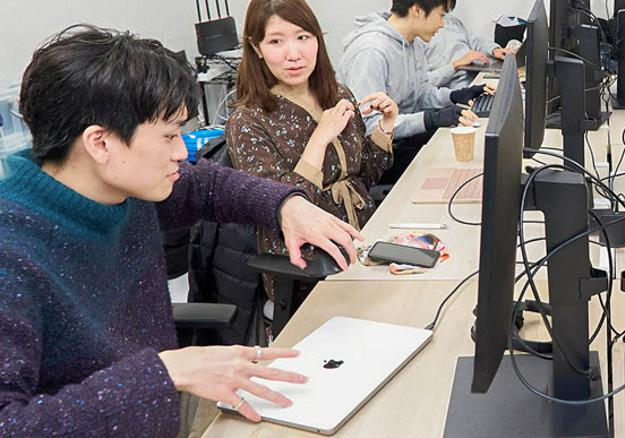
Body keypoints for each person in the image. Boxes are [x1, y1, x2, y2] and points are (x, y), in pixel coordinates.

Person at [0, 25, 364, 435]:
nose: (181, 151)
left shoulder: (124, 185)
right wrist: (164, 372)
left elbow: (207, 184)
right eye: (170, 135)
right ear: (100, 143)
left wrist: (285, 205)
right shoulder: (12, 253)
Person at [225, 0, 395, 298]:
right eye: (276, 41)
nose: (293, 54)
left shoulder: (338, 95)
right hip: (307, 267)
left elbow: (363, 176)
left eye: (303, 37)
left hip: (363, 245)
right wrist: (319, 139)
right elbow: (280, 206)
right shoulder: (248, 121)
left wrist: (385, 127)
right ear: (256, 48)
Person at [340, 0, 487, 181]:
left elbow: (421, 94)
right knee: (455, 167)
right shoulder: (372, 52)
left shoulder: (413, 42)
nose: (442, 24)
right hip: (375, 158)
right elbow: (370, 126)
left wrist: (457, 96)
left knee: (471, 150)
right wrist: (431, 119)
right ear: (417, 10)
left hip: (401, 141)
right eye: (441, 15)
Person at [401, 0, 517, 88]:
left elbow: (474, 40)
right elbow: (418, 88)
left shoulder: (451, 20)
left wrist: (494, 50)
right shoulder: (415, 37)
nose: (441, 24)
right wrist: (455, 65)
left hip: (478, 75)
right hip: (457, 87)